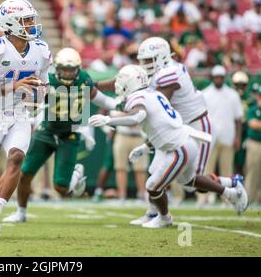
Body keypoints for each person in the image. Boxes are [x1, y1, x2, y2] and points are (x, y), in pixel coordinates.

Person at [88, 65, 248, 228]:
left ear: (131, 82)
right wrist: (145, 147)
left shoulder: (139, 98)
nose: (117, 84)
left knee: (153, 185)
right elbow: (163, 127)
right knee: (189, 181)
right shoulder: (154, 94)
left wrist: (109, 121)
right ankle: (231, 191)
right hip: (185, 143)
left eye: (121, 80)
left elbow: (137, 115)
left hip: (178, 149)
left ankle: (164, 217)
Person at [3, 47, 117, 223]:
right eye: (64, 69)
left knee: (61, 188)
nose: (67, 73)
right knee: (25, 173)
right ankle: (21, 212)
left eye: (71, 70)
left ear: (78, 69)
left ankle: (75, 176)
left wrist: (119, 105)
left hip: (69, 135)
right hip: (47, 131)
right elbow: (31, 101)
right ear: (56, 67)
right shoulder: (47, 80)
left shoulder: (84, 80)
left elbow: (100, 99)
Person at [0, 0, 51, 237]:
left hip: (19, 115)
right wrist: (15, 86)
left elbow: (42, 91)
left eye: (31, 20)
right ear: (11, 23)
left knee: (16, 158)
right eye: (26, 20)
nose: (31, 24)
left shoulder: (42, 50)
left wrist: (38, 97)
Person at [202, 66, 243, 202]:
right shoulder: (205, 93)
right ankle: (204, 198)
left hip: (228, 136)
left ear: (224, 78)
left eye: (220, 77)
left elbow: (238, 119)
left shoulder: (233, 94)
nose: (218, 79)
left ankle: (228, 199)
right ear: (212, 78)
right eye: (216, 77)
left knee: (227, 170)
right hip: (209, 138)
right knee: (207, 170)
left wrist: (237, 137)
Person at [245, 88, 261, 204]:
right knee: (252, 171)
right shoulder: (253, 109)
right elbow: (253, 124)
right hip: (255, 143)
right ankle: (248, 198)